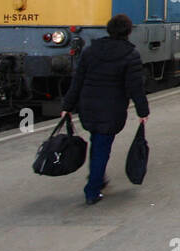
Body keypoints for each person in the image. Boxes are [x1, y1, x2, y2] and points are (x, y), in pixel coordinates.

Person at [60, 13, 150, 205]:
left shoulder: (90, 51)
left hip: (88, 107)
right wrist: (142, 112)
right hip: (111, 109)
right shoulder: (130, 55)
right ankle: (92, 190)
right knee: (101, 147)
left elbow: (78, 80)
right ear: (128, 32)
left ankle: (98, 178)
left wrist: (67, 106)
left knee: (97, 142)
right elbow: (135, 87)